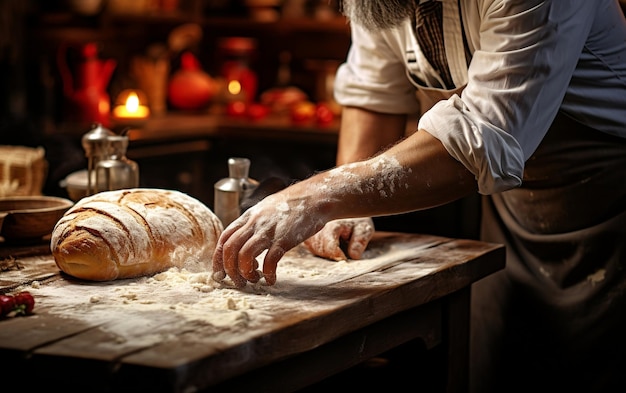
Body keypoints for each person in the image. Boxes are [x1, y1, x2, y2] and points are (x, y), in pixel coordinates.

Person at [212, 0, 626, 391]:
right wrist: (343, 208)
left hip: (610, 203)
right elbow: (374, 94)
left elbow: (482, 138)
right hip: (509, 210)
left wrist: (315, 197)